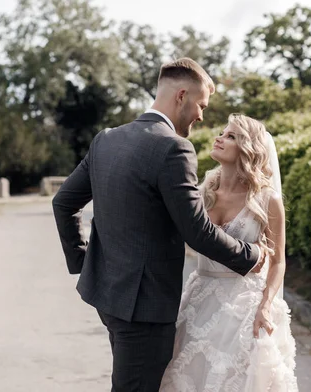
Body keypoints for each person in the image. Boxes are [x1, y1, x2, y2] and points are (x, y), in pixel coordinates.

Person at [52, 58, 267, 392]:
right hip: (145, 307)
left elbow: (63, 202)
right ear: (182, 95)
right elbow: (196, 231)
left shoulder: (106, 139)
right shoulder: (174, 148)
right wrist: (250, 255)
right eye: (201, 105)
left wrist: (83, 262)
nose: (201, 116)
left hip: (105, 295)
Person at [160, 114, 298, 391]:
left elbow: (278, 261)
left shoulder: (267, 200)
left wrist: (266, 306)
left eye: (231, 135)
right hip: (199, 300)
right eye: (222, 132)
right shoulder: (201, 193)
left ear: (248, 148)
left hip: (245, 307)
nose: (219, 138)